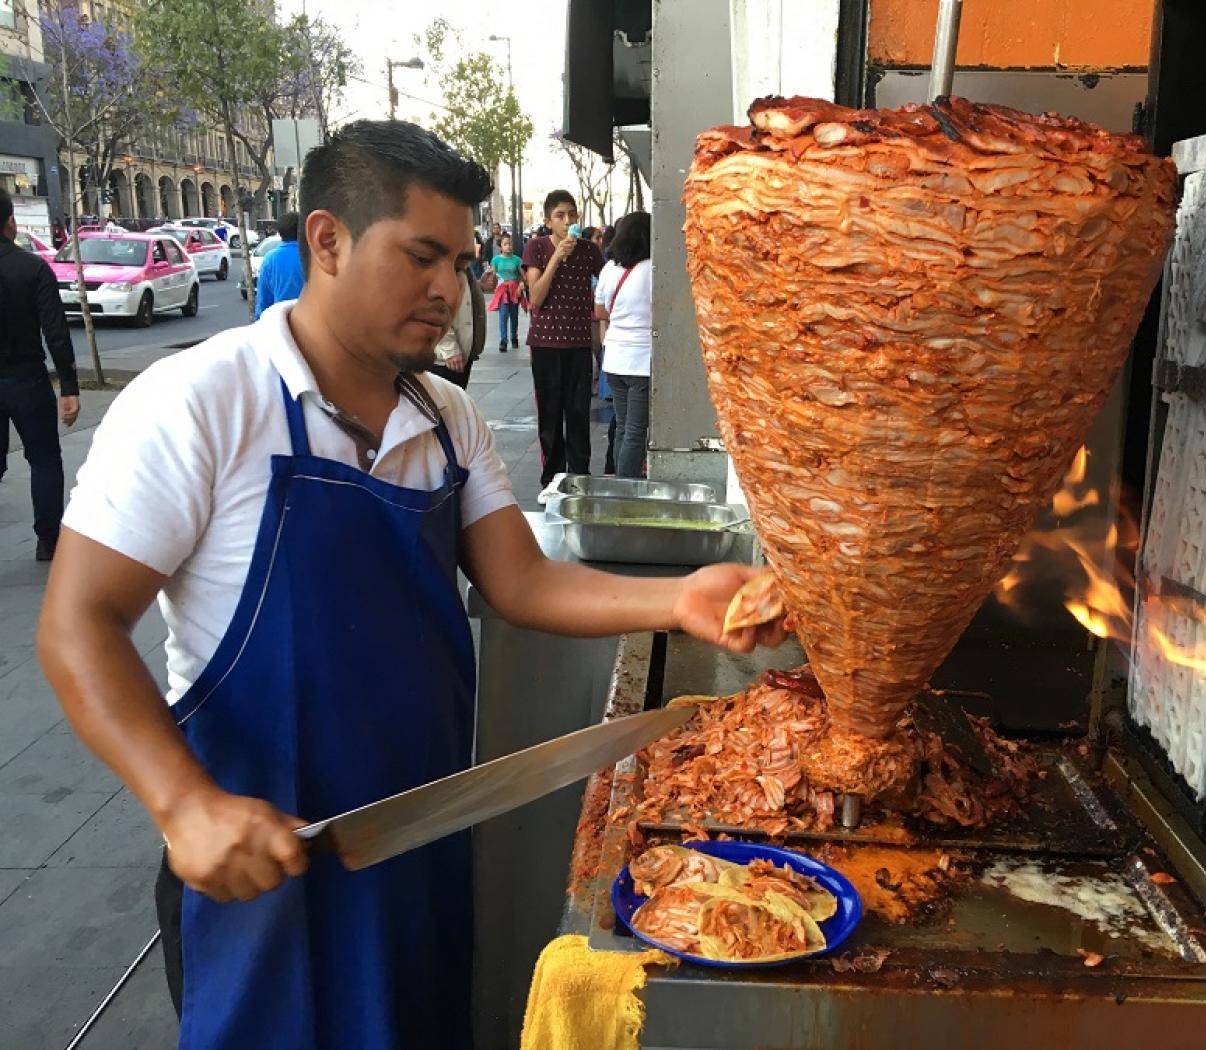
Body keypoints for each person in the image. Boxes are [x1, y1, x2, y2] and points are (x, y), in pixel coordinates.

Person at [35, 121, 781, 1050]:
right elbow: (77, 623)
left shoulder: (446, 414)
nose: (449, 291)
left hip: (413, 836)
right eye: (422, 256)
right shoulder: (200, 401)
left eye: (462, 263)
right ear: (328, 240)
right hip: (264, 857)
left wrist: (676, 603)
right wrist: (182, 803)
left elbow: (521, 581)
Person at [0, 189, 81, 561]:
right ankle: (49, 537)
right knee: (44, 458)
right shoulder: (33, 268)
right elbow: (56, 332)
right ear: (10, 223)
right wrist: (68, 385)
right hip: (27, 377)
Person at [521, 190, 605, 493]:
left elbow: (606, 283)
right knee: (550, 415)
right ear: (548, 220)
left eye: (572, 214)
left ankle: (580, 477)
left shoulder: (589, 251)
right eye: (560, 215)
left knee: (579, 413)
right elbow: (536, 299)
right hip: (545, 344)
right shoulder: (537, 248)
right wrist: (557, 257)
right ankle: (552, 480)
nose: (567, 220)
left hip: (579, 342)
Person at [594, 211, 652, 479]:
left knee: (622, 428)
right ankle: (627, 488)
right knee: (635, 431)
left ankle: (618, 483)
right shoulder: (652, 270)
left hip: (614, 357)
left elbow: (600, 312)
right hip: (640, 360)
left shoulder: (609, 269)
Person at [430, 266, 487, 388]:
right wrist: (450, 348)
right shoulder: (442, 261)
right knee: (445, 403)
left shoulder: (462, 263)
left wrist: (479, 285)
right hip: (445, 358)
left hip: (464, 349)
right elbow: (433, 307)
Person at [254, 210, 306, 319]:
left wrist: (259, 321)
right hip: (309, 321)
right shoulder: (312, 257)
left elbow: (263, 299)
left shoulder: (270, 259)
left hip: (281, 321)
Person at [487, 233, 525, 351]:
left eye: (510, 244)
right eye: (505, 244)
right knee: (503, 316)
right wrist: (492, 275)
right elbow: (493, 274)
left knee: (514, 316)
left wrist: (522, 284)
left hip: (514, 290)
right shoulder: (496, 259)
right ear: (501, 246)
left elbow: (523, 276)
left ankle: (514, 337)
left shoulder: (517, 260)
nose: (508, 246)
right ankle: (503, 340)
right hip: (502, 290)